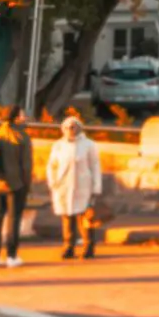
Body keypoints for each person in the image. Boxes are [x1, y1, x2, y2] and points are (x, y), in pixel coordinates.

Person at [0, 105, 34, 268]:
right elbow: (26, 166)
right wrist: (26, 185)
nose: (24, 117)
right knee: (13, 219)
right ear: (16, 118)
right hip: (15, 184)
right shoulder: (22, 137)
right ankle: (11, 256)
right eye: (22, 115)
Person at [49, 110, 106, 259]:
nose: (71, 130)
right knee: (67, 217)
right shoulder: (58, 146)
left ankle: (88, 246)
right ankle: (68, 246)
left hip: (83, 186)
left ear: (79, 128)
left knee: (85, 218)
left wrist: (96, 187)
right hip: (64, 186)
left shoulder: (89, 145)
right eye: (68, 127)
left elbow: (95, 166)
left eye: (74, 127)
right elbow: (52, 166)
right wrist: (53, 182)